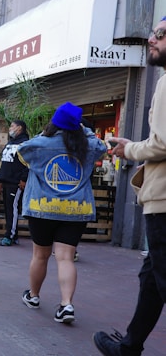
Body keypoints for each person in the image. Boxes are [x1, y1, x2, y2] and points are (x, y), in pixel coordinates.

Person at [93, 17, 166, 354]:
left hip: (163, 201)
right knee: (151, 277)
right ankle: (129, 347)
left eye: (161, 35)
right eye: (154, 33)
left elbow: (163, 144)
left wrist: (129, 149)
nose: (152, 39)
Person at [17, 102, 106, 324]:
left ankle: (34, 296)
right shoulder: (88, 146)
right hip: (76, 209)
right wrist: (84, 130)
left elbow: (22, 150)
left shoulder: (39, 145)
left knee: (40, 255)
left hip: (42, 208)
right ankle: (66, 304)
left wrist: (46, 133)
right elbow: (102, 146)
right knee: (66, 257)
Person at [0, 120, 29, 246]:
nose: (10, 128)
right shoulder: (10, 142)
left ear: (19, 128)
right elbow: (4, 163)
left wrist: (24, 179)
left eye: (12, 126)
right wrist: (0, 180)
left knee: (13, 209)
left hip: (16, 182)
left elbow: (29, 163)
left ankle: (10, 235)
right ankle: (12, 234)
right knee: (8, 209)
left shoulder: (25, 143)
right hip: (6, 181)